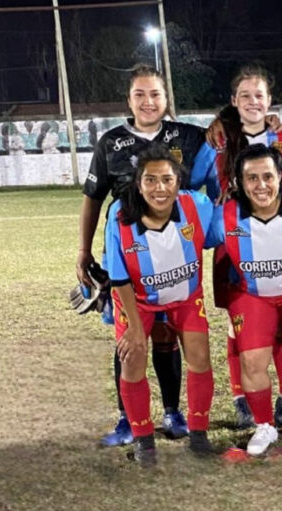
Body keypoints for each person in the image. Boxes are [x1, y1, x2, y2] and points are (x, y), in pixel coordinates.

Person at [78, 64, 206, 446]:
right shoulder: (110, 143)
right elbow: (92, 199)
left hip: (173, 253)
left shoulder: (189, 136)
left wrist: (236, 121)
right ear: (129, 100)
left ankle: (172, 410)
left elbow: (230, 141)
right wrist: (84, 251)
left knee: (167, 335)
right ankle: (127, 419)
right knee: (130, 339)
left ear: (167, 99)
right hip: (127, 255)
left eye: (155, 94)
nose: (148, 102)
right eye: (140, 95)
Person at [191, 65, 282, 430]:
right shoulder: (218, 141)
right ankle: (241, 399)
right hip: (233, 246)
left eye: (260, 95)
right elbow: (194, 185)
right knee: (238, 326)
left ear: (270, 101)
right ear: (234, 101)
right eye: (245, 96)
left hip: (279, 242)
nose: (253, 102)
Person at [207, 144, 282, 456]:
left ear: (281, 177)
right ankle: (265, 425)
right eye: (251, 178)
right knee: (251, 361)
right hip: (252, 294)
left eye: (268, 176)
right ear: (239, 182)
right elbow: (186, 230)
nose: (261, 185)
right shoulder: (223, 217)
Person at [104, 144, 215, 466]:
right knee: (133, 357)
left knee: (200, 356)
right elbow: (118, 275)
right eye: (150, 180)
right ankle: (143, 441)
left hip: (186, 297)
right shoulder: (120, 215)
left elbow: (225, 226)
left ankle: (198, 434)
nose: (159, 188)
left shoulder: (199, 206)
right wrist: (135, 329)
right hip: (136, 300)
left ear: (179, 182)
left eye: (167, 179)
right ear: (138, 184)